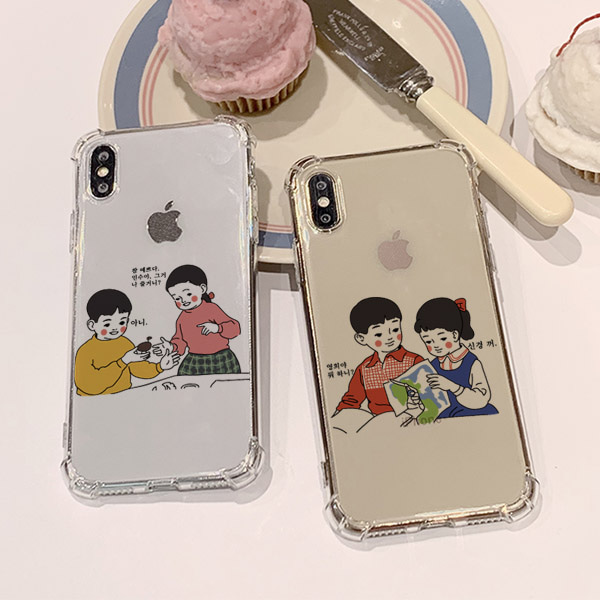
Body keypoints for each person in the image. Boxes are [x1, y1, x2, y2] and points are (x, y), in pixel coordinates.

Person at [74, 289, 179, 396]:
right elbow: (89, 386)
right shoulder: (86, 351)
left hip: (124, 396)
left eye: (121, 322)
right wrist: (123, 361)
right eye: (107, 324)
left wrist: (160, 367)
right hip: (94, 400)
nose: (115, 328)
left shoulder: (124, 343)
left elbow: (138, 369)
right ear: (92, 325)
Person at [336, 297, 423, 416]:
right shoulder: (364, 368)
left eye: (395, 330)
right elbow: (352, 399)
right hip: (377, 423)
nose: (389, 337)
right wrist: (339, 416)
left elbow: (431, 397)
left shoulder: (414, 361)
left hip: (412, 420)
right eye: (379, 334)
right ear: (361, 338)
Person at [414, 297, 498, 418]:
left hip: (471, 414)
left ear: (454, 335)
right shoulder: (432, 365)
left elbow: (482, 399)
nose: (436, 346)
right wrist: (418, 398)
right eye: (428, 341)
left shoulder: (471, 362)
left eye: (442, 338)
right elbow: (431, 398)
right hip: (444, 416)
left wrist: (453, 387)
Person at [159, 265, 242, 376]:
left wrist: (217, 328)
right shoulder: (182, 318)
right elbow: (180, 341)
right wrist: (172, 346)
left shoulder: (211, 309)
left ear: (202, 289)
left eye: (188, 294)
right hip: (195, 359)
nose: (183, 300)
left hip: (220, 357)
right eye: (177, 298)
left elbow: (235, 329)